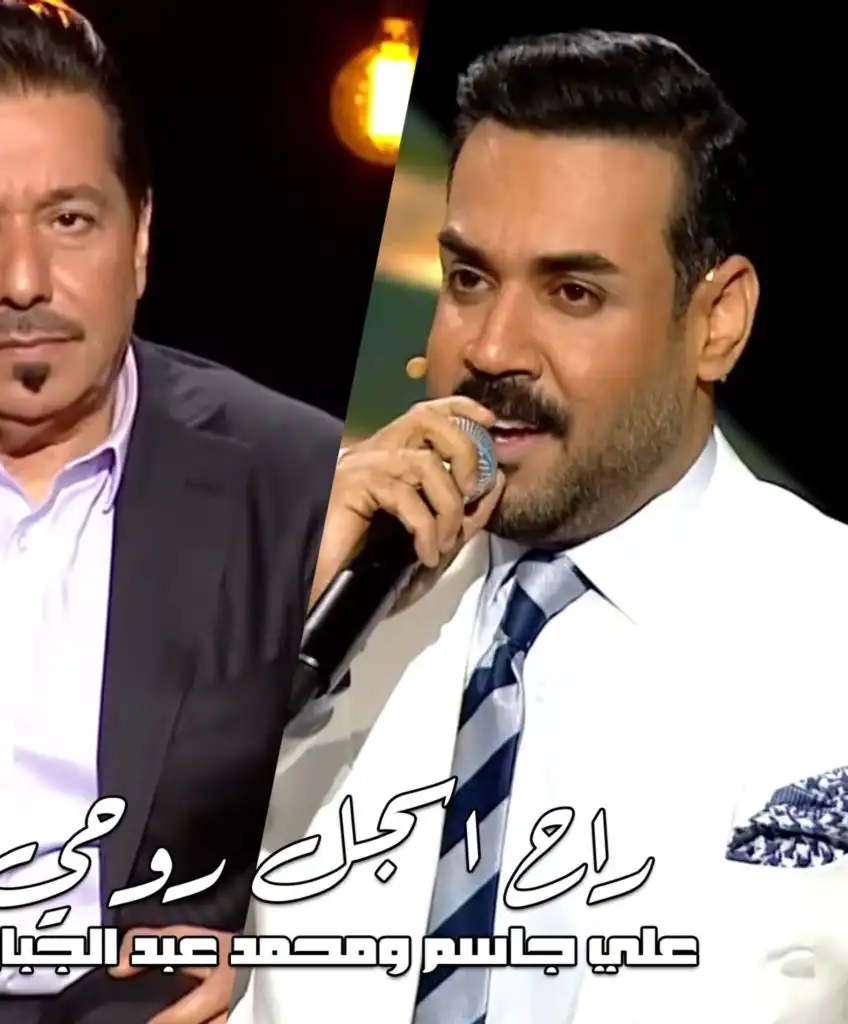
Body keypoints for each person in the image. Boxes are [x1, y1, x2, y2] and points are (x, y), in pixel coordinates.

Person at [234, 30, 848, 1024]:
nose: (490, 347)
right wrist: (271, 617)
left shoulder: (828, 621)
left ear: (717, 322)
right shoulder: (324, 595)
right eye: (468, 279)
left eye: (573, 293)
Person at [0, 2, 342, 1021]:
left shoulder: (295, 478)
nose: (24, 282)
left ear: (139, 234)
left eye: (69, 221)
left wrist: (275, 954)